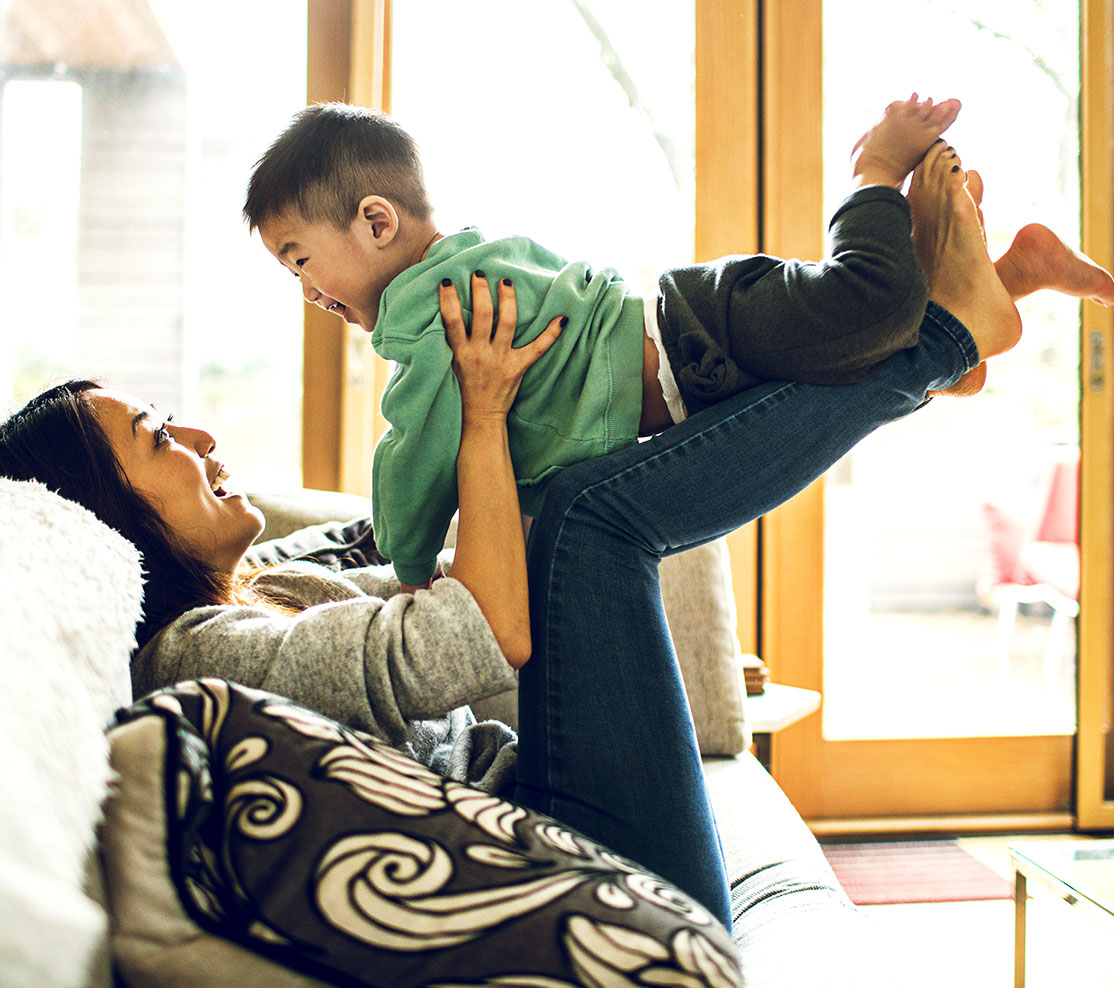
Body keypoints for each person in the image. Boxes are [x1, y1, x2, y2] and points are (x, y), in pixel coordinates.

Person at [0, 143, 1100, 932]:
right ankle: (942, 332)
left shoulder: (268, 584)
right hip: (581, 857)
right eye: (154, 437)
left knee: (576, 487)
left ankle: (954, 322)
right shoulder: (202, 652)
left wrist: (500, 419)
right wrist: (477, 414)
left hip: (568, 804)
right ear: (114, 516)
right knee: (588, 514)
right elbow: (479, 627)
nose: (193, 429)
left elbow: (392, 543)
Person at [243, 97, 1114, 588]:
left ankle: (875, 173)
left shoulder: (434, 322)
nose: (308, 293)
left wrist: (396, 552)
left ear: (375, 220)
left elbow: (410, 470)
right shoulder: (463, 264)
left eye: (300, 261)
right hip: (701, 358)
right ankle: (1009, 272)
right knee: (877, 358)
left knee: (873, 310)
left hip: (698, 332)